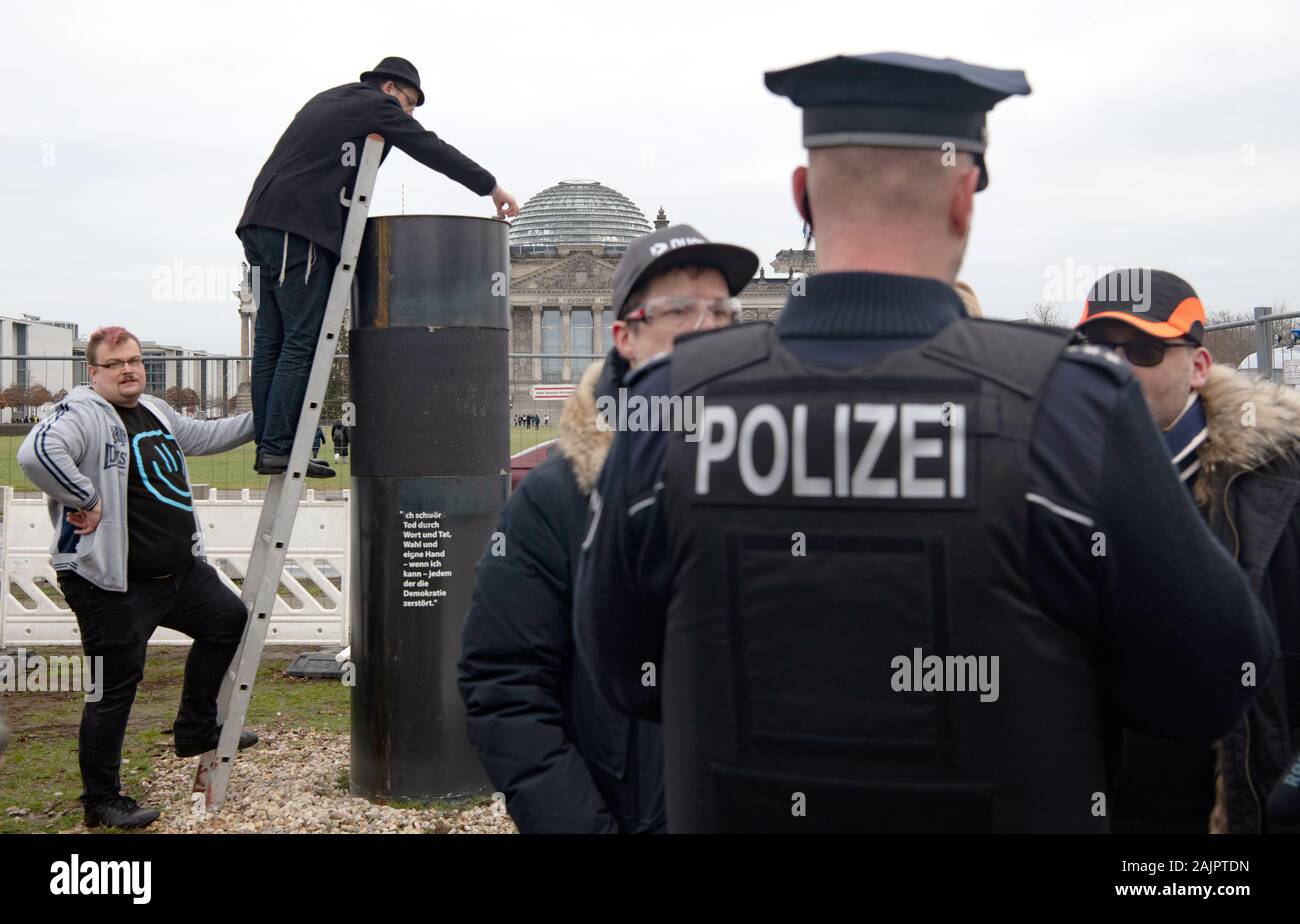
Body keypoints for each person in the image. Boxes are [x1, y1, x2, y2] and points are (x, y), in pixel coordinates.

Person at [573, 53, 1278, 833]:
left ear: (803, 196)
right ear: (964, 197)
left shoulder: (667, 405)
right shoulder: (1072, 406)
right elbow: (1212, 681)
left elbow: (622, 677)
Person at [460, 225, 758, 833]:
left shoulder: (785, 481)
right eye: (680, 310)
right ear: (625, 337)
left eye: (722, 312)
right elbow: (505, 686)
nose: (707, 328)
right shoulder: (557, 497)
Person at [1077, 270, 1300, 833]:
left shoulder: (1280, 479)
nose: (1116, 367)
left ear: (1199, 367)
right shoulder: (1050, 477)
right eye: (1097, 349)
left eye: (1145, 349)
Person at [17, 326, 260, 830]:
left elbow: (206, 436)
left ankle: (194, 728)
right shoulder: (81, 412)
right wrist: (84, 497)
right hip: (112, 584)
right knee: (112, 692)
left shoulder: (154, 409)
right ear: (94, 372)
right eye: (115, 364)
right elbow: (35, 453)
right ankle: (101, 800)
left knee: (228, 620)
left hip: (178, 573)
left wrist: (270, 419)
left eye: (133, 360)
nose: (128, 369)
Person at [237, 56, 518, 481]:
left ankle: (272, 446)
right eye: (407, 104)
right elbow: (431, 148)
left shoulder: (331, 99)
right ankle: (279, 446)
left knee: (272, 341)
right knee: (302, 342)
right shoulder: (374, 105)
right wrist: (490, 186)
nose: (407, 116)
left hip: (260, 225)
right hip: (300, 229)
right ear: (389, 89)